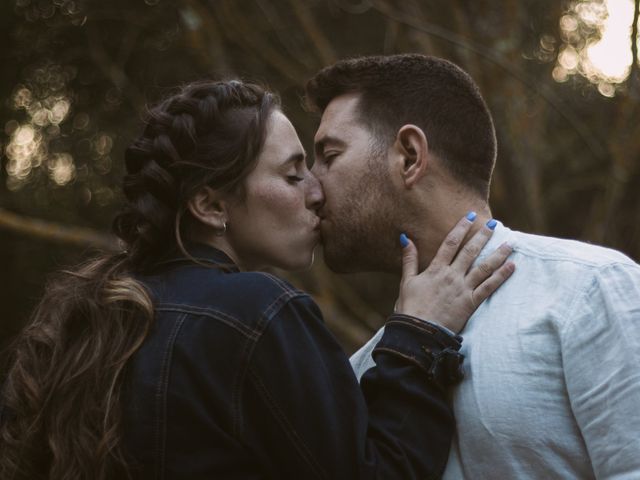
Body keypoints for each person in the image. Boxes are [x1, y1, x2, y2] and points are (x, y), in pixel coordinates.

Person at [0, 80, 514, 480]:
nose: (317, 191)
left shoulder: (101, 314)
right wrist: (417, 337)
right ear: (210, 204)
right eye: (292, 175)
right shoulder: (255, 311)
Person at [305, 53, 640, 479]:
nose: (311, 190)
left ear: (409, 156)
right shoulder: (365, 371)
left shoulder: (590, 291)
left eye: (329, 156)